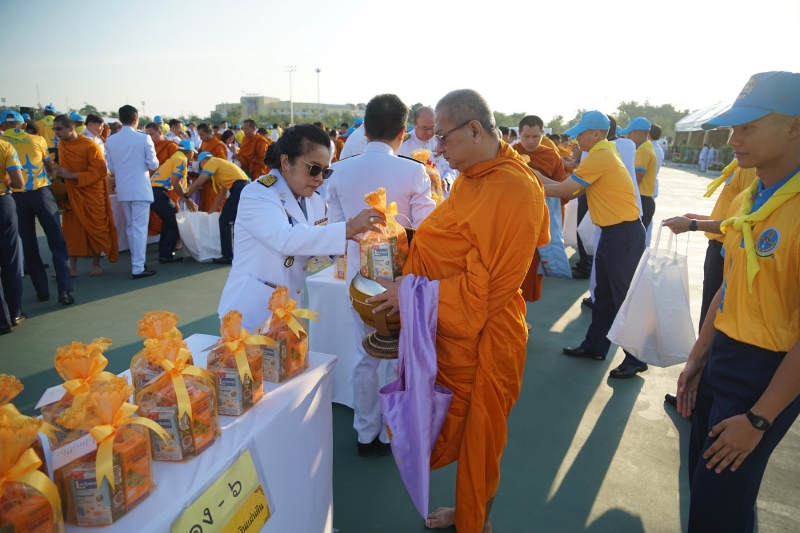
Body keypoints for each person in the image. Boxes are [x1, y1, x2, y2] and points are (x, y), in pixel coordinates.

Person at [366, 89, 548, 533]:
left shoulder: (516, 188)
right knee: (456, 426)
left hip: (487, 334)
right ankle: (470, 513)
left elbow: (487, 288)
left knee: (480, 436)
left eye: (443, 138)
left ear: (474, 129)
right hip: (449, 331)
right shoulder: (470, 177)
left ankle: (475, 521)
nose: (437, 150)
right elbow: (452, 242)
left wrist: (408, 292)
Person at [673, 71, 800, 533]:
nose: (732, 139)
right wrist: (699, 355)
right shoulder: (755, 194)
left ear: (795, 126)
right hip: (724, 354)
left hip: (766, 372)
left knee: (719, 505)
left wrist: (760, 419)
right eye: (732, 127)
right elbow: (730, 287)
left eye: (748, 127)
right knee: (705, 492)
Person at [327, 93, 437, 458]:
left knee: (365, 355)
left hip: (359, 278)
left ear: (366, 128)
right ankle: (392, 433)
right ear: (403, 131)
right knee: (398, 354)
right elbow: (427, 229)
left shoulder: (340, 170)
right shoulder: (413, 170)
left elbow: (335, 229)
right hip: (401, 279)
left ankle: (365, 433)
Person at [217, 124, 384, 330]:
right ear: (286, 162)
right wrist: (346, 229)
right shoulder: (258, 194)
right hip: (250, 311)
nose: (320, 179)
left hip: (289, 309)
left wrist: (347, 242)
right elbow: (285, 239)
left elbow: (310, 257)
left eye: (325, 171)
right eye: (313, 169)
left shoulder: (312, 200)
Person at [540, 111, 647, 379]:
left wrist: (528, 181)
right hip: (615, 234)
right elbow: (572, 188)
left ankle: (636, 358)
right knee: (604, 296)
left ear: (596, 134)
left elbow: (564, 191)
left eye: (582, 132)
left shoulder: (600, 156)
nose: (577, 138)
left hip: (621, 235)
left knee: (622, 298)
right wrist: (534, 177)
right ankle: (595, 346)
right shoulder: (604, 152)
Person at [1, 111, 73, 304]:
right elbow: (49, 167)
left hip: (15, 198)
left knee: (29, 245)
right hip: (41, 194)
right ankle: (64, 290)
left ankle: (42, 291)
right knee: (56, 241)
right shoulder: (38, 140)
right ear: (23, 125)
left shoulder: (3, 144)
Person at [53, 114, 119, 277]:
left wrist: (71, 175)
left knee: (95, 229)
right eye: (54, 129)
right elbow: (64, 167)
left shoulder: (90, 145)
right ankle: (71, 268)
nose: (56, 132)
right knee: (71, 231)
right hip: (72, 193)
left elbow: (99, 171)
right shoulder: (62, 146)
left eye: (59, 129)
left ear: (70, 128)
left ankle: (95, 265)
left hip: (91, 192)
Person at [513, 115, 565, 301]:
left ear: (543, 134)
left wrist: (538, 181)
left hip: (539, 224)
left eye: (535, 136)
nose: (530, 141)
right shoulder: (511, 154)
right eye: (526, 136)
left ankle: (523, 316)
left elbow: (563, 191)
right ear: (519, 134)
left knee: (533, 272)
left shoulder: (551, 156)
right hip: (514, 223)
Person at [104, 105, 158, 279]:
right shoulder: (144, 138)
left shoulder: (111, 140)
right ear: (136, 120)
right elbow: (154, 164)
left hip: (123, 188)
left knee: (131, 227)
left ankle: (138, 262)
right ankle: (138, 266)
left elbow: (111, 167)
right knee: (139, 228)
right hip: (140, 188)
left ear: (120, 119)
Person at [182, 152, 249, 264]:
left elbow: (199, 182)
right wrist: (211, 212)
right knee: (236, 222)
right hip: (244, 188)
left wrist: (186, 196)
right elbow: (222, 193)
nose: (203, 169)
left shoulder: (212, 162)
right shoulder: (223, 166)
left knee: (225, 221)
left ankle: (227, 256)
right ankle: (240, 253)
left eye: (201, 166)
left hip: (239, 189)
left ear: (203, 162)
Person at [150, 139, 198, 263]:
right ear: (190, 152)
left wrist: (185, 197)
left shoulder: (174, 157)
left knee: (168, 221)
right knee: (176, 222)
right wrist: (186, 199)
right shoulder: (180, 159)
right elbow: (175, 182)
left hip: (153, 192)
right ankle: (165, 255)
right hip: (157, 193)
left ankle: (163, 251)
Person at [397, 106, 457, 188]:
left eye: (432, 128)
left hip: (442, 196)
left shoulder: (441, 141)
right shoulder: (402, 145)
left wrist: (447, 180)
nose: (429, 132)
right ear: (415, 124)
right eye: (424, 128)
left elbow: (452, 168)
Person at [0, 138, 25, 335]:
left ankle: (2, 319)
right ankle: (15, 313)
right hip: (3, 204)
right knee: (11, 260)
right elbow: (19, 182)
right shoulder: (5, 146)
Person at [620, 117, 658, 231]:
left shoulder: (643, 151)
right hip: (643, 198)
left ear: (638, 133)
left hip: (642, 199)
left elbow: (636, 179)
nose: (628, 137)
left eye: (630, 133)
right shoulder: (644, 148)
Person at [197, 123, 229, 212]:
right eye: (199, 135)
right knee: (206, 206)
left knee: (216, 207)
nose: (201, 137)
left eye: (202, 135)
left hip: (215, 181)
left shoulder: (218, 146)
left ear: (209, 132)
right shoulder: (204, 143)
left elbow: (222, 164)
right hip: (205, 180)